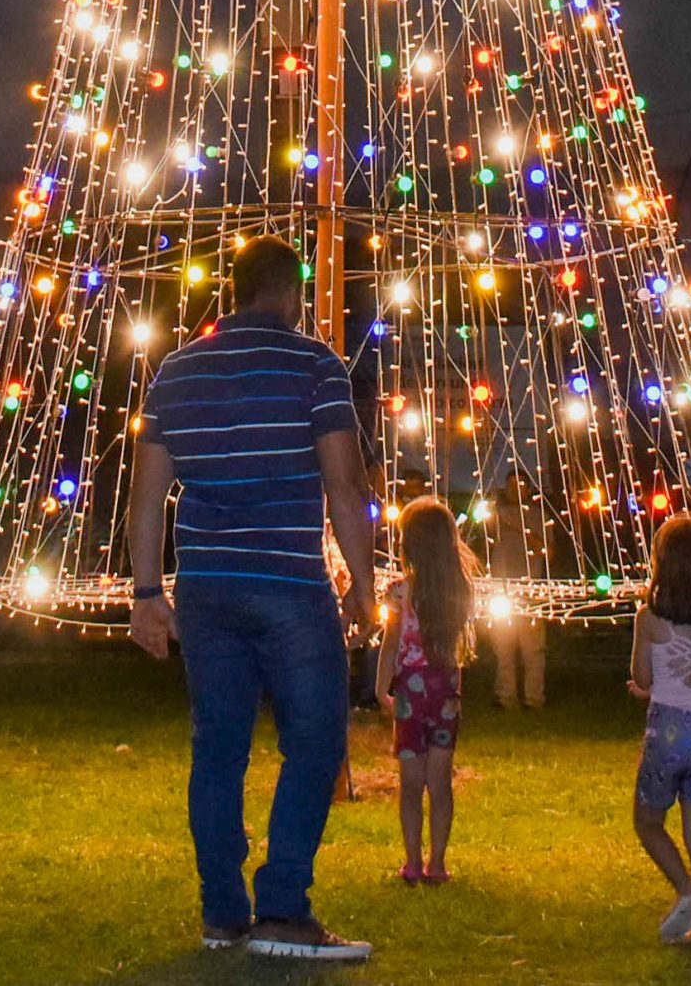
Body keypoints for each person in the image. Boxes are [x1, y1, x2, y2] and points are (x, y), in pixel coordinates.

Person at [127, 236, 378, 962]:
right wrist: (362, 586)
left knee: (218, 747)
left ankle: (222, 913)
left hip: (206, 587)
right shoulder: (314, 364)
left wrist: (149, 592)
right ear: (293, 291)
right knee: (314, 739)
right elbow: (345, 485)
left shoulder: (176, 370)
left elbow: (148, 496)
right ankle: (283, 908)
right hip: (290, 583)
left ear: (235, 289)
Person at [628, 511, 691, 948]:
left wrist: (639, 688)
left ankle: (688, 892)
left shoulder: (650, 618)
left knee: (648, 821)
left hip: (669, 728)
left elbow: (645, 678)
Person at [376, 494, 473, 885]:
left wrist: (383, 687)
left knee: (411, 782)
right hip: (446, 690)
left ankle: (413, 861)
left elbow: (390, 643)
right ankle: (438, 862)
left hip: (411, 694)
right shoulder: (460, 591)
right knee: (441, 780)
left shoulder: (401, 592)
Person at [485, 478, 546, 708]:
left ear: (528, 489)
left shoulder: (538, 516)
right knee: (503, 648)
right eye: (510, 485)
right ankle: (506, 696)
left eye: (520, 485)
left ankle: (534, 698)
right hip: (501, 589)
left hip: (530, 590)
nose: (514, 489)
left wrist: (523, 530)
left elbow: (547, 550)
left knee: (533, 650)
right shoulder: (495, 514)